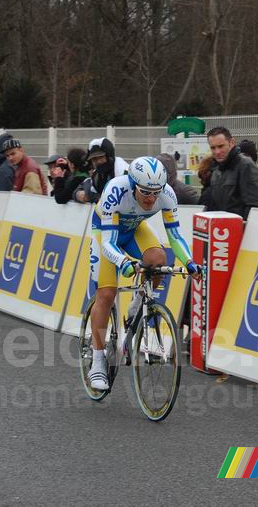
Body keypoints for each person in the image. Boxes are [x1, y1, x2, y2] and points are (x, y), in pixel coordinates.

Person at [86, 157, 202, 391]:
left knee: (159, 259)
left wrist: (189, 262)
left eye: (156, 192)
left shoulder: (167, 194)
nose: (151, 198)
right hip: (106, 233)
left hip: (135, 228)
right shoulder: (116, 190)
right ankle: (97, 361)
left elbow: (175, 237)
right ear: (132, 185)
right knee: (106, 294)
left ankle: (138, 302)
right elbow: (110, 243)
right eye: (145, 192)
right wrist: (124, 263)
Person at [205, 127, 258, 219]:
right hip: (222, 229)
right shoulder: (216, 168)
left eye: (221, 146)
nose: (217, 152)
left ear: (232, 143)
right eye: (213, 148)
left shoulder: (245, 165)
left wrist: (243, 226)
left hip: (240, 229)